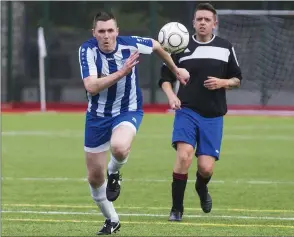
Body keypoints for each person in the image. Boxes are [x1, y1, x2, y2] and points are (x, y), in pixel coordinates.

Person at [78, 11, 189, 234]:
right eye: (101, 31)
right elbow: (91, 86)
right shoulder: (87, 50)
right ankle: (112, 219)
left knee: (119, 147)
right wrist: (122, 72)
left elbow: (157, 45)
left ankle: (115, 172)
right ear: (94, 33)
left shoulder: (130, 45)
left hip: (128, 110)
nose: (106, 36)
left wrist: (175, 70)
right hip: (97, 116)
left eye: (111, 30)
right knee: (94, 177)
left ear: (117, 31)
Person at [158, 3, 242, 221]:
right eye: (199, 19)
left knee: (205, 168)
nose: (203, 23)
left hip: (213, 115)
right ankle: (177, 209)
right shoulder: (180, 47)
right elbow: (165, 79)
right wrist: (172, 96)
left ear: (215, 23)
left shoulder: (225, 47)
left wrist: (223, 82)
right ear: (193, 23)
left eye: (207, 19)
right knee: (184, 156)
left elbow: (237, 80)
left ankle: (201, 187)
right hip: (187, 111)